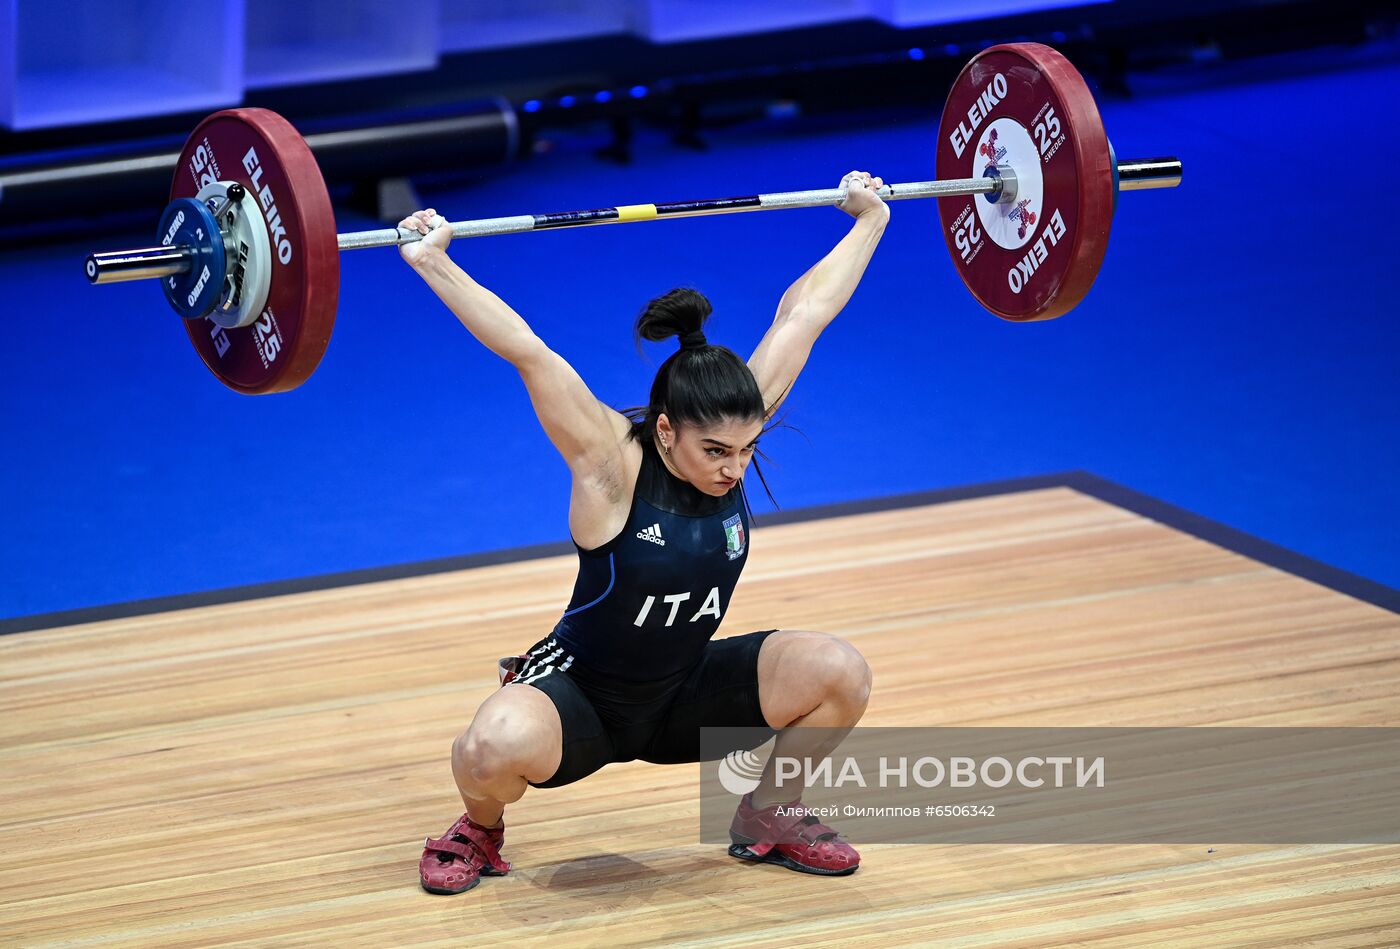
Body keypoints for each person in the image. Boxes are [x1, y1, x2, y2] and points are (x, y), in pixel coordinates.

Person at [406, 170, 889, 894]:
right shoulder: (610, 465)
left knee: (840, 674)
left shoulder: (732, 422)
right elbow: (529, 352)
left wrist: (870, 221)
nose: (735, 469)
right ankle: (479, 828)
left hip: (684, 689)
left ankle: (771, 815)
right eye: (716, 453)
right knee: (489, 745)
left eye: (747, 450)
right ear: (666, 430)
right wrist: (435, 261)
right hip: (583, 698)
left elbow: (805, 313)